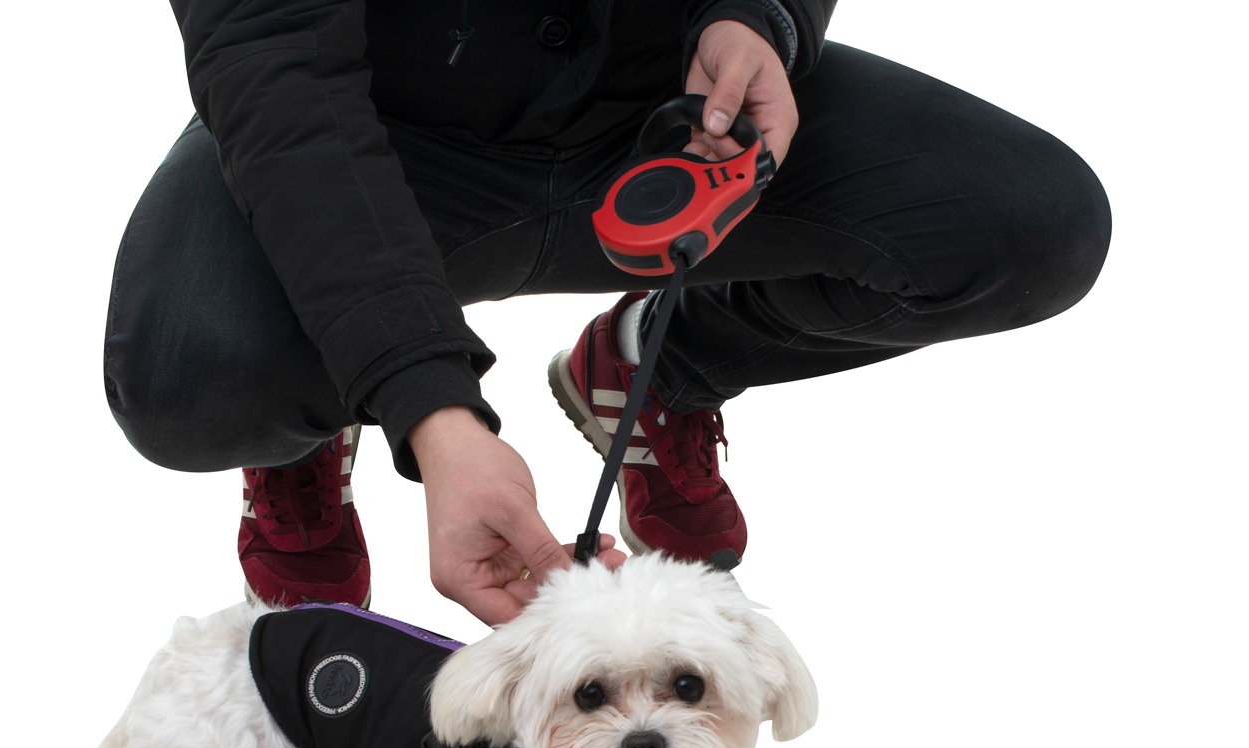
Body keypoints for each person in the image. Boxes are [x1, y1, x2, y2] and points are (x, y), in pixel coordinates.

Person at [104, 0, 1110, 626]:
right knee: (188, 377)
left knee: (1032, 228)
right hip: (372, 132)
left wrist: (756, 16)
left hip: (668, 121)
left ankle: (656, 364)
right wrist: (424, 404)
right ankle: (321, 399)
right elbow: (274, 70)